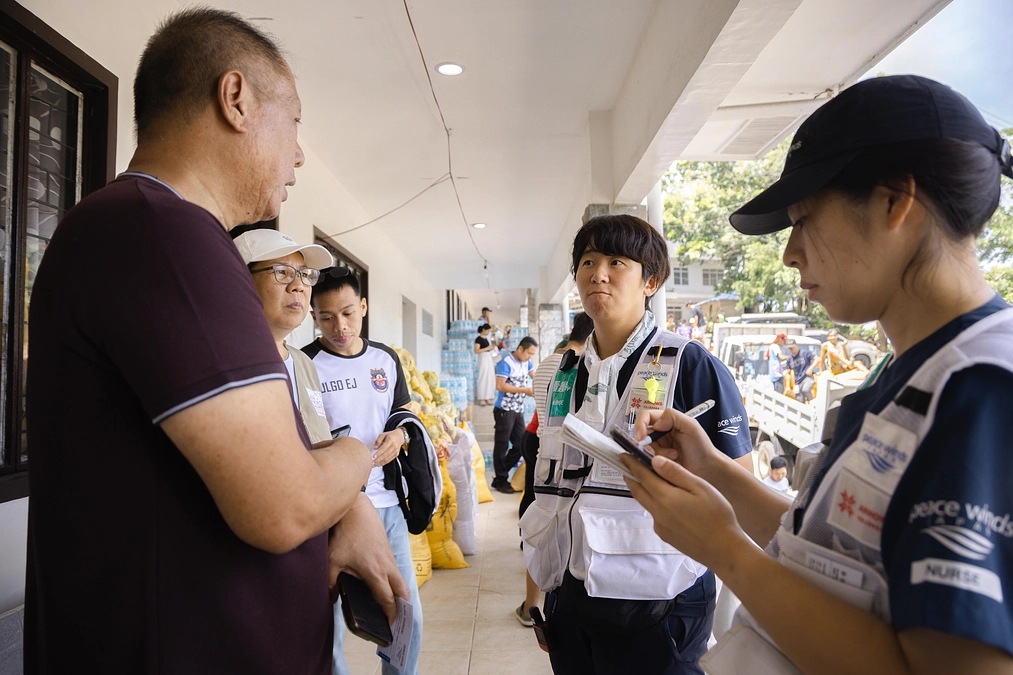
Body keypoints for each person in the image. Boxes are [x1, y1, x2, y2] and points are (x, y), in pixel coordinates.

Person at [24, 9, 407, 674]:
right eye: (292, 121)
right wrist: (354, 456)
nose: (297, 154)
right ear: (235, 99)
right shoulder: (162, 233)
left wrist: (339, 502)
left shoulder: (151, 233)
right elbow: (282, 506)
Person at [623, 75, 1013, 674]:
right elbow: (831, 555)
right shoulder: (911, 371)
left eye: (803, 220)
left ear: (895, 202)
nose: (789, 252)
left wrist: (725, 552)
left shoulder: (982, 388)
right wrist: (714, 470)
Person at [521, 214, 752, 675]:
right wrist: (544, 592)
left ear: (651, 280)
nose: (597, 273)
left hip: (660, 603)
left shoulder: (688, 363)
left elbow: (740, 482)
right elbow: (546, 485)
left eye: (616, 261)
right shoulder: (563, 374)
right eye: (587, 261)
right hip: (572, 598)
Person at [305, 268, 430, 675]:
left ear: (363, 307)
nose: (339, 326)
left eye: (347, 313)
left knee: (405, 613)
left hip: (388, 504)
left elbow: (404, 411)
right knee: (327, 625)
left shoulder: (385, 358)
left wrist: (399, 435)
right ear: (314, 316)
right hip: (331, 509)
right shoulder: (305, 364)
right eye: (326, 317)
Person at [516, 312, 594, 627]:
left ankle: (530, 606)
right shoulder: (585, 365)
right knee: (566, 527)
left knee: (541, 520)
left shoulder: (548, 362)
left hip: (541, 446)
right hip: (570, 457)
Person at [233, 229, 335, 445]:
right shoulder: (228, 362)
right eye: (282, 272)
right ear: (242, 281)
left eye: (304, 274)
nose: (298, 286)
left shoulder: (304, 363)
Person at [491, 336, 538, 494]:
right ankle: (501, 480)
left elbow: (536, 376)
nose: (530, 357)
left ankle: (499, 477)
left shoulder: (527, 363)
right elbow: (500, 385)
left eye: (532, 354)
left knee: (519, 445)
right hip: (505, 410)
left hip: (518, 409)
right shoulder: (506, 363)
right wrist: (524, 390)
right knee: (502, 445)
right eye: (529, 353)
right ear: (520, 349)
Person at [783, 338, 817, 402]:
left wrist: (810, 368)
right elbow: (788, 373)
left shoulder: (804, 353)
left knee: (805, 389)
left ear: (796, 345)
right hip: (798, 381)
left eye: (792, 347)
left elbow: (817, 359)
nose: (791, 349)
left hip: (807, 377)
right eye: (790, 348)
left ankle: (812, 403)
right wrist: (787, 386)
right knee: (799, 399)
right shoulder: (789, 359)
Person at [475, 323, 498, 405]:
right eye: (487, 330)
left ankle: (488, 396)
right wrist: (488, 348)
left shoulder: (485, 339)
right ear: (484, 330)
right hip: (483, 357)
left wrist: (491, 348)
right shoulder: (478, 339)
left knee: (489, 377)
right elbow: (476, 351)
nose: (488, 332)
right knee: (483, 377)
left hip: (488, 357)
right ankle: (481, 398)